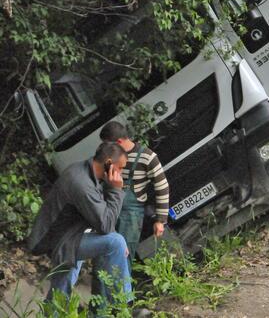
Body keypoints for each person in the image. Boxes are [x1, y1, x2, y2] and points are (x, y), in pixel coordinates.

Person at [27, 142, 131, 304]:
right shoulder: (82, 184)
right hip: (57, 240)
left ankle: (53, 313)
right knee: (116, 243)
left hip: (67, 234)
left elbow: (100, 216)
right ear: (109, 163)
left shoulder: (85, 172)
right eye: (121, 168)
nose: (121, 174)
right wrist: (115, 190)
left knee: (63, 282)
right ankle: (125, 303)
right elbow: (106, 225)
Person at [99, 121, 169, 261]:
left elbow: (162, 187)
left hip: (130, 216)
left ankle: (122, 283)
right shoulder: (110, 155)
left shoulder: (148, 157)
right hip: (109, 209)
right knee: (103, 254)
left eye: (108, 144)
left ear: (119, 141)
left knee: (123, 257)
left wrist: (160, 220)